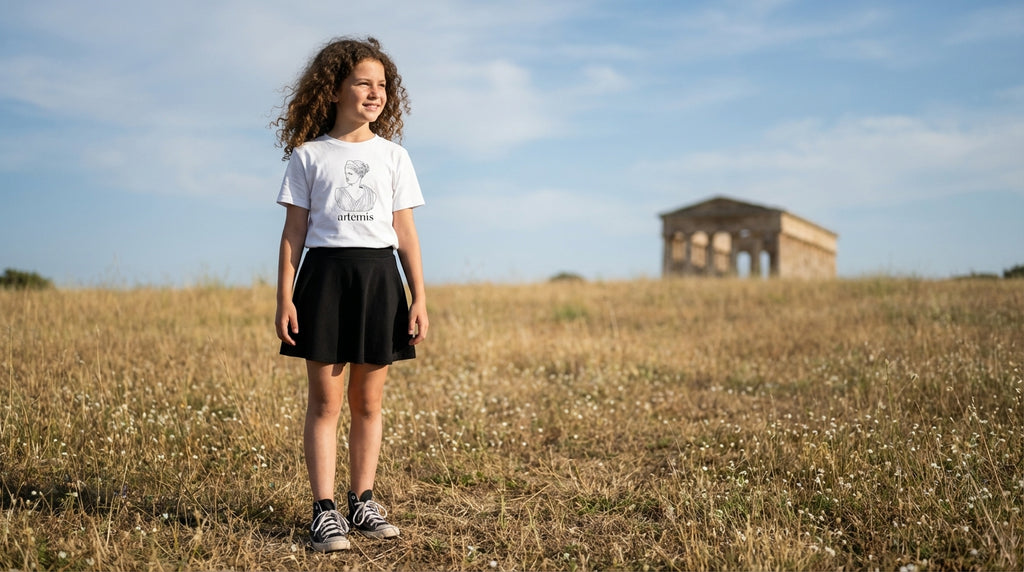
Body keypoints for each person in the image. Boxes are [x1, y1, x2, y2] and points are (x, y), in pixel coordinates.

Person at [271, 36, 428, 553]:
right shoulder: (309, 155)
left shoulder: (394, 157)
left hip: (381, 279)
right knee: (325, 402)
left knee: (369, 402)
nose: (374, 92)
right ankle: (324, 511)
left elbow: (404, 234)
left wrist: (419, 297)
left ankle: (363, 500)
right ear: (334, 87)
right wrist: (284, 298)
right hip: (325, 281)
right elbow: (293, 233)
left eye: (382, 84)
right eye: (363, 81)